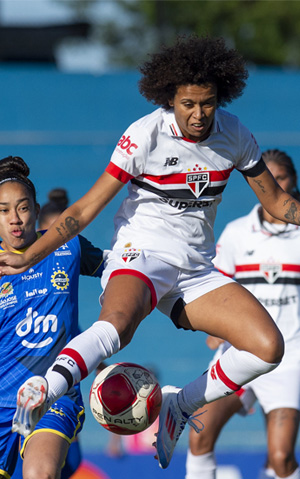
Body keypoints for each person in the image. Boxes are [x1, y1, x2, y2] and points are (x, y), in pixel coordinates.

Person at [2, 34, 300, 470]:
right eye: (188, 104)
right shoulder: (144, 136)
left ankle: (179, 406)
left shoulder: (234, 134)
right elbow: (84, 210)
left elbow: (278, 203)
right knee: (118, 325)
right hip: (140, 254)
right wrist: (30, 256)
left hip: (195, 269)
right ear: (169, 99)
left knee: (267, 347)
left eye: (208, 103)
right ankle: (44, 388)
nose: (199, 114)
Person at [186, 149, 300, 479]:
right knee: (199, 435)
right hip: (239, 354)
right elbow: (214, 290)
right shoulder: (237, 233)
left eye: (282, 178)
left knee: (280, 458)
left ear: (293, 182)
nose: (275, 185)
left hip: (288, 359)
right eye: (269, 179)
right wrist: (218, 326)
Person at [0, 156, 104, 479]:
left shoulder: (66, 247)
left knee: (40, 475)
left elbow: (119, 270)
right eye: (3, 210)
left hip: (52, 393)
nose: (15, 219)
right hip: (3, 397)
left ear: (35, 208)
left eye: (23, 207)